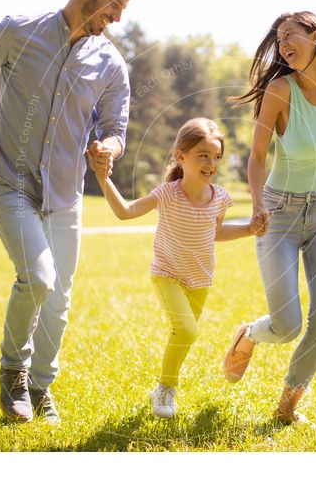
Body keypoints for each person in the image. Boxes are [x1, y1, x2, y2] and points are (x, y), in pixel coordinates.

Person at [0, 0, 140, 424]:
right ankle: (13, 372)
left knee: (59, 298)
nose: (119, 15)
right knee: (38, 277)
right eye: (115, 3)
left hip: (65, 193)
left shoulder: (111, 64)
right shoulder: (20, 31)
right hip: (9, 180)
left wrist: (109, 147)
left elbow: (116, 125)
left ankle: (40, 388)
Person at [222, 11, 316, 424]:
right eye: (278, 38)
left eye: (291, 34)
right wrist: (256, 204)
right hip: (279, 215)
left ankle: (288, 404)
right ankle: (248, 334)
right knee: (287, 326)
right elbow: (256, 157)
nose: (283, 43)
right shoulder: (280, 90)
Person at [91, 118, 260, 419]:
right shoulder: (167, 193)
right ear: (181, 156)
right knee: (187, 329)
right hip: (166, 273)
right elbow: (126, 212)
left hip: (200, 280)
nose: (211, 163)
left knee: (181, 335)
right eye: (203, 155)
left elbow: (216, 234)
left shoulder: (219, 198)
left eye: (216, 157)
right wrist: (103, 178)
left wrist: (250, 229)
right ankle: (167, 389)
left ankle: (161, 387)